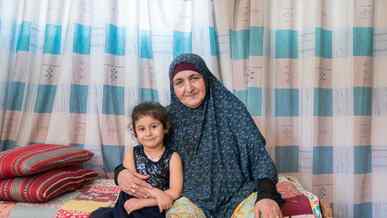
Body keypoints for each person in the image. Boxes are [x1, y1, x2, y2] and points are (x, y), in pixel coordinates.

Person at [114, 53, 284, 218]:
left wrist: (266, 196)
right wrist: (120, 173)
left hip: (239, 194)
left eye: (194, 78)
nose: (188, 88)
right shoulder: (166, 119)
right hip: (190, 199)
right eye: (179, 82)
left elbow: (259, 158)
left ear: (206, 79)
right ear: (173, 88)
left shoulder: (233, 110)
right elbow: (147, 149)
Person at [91, 102, 183, 218]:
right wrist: (153, 193)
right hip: (131, 198)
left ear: (165, 128)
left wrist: (143, 202)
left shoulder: (173, 157)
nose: (148, 133)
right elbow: (132, 185)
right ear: (135, 132)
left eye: (154, 126)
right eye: (142, 129)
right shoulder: (132, 154)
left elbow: (175, 192)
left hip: (156, 204)